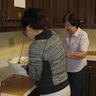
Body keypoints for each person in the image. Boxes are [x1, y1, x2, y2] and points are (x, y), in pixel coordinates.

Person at [21, 8, 71, 96]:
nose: (26, 34)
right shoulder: (54, 33)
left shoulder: (36, 46)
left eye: (25, 31)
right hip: (65, 87)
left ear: (28, 27)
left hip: (52, 92)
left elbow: (35, 75)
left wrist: (28, 68)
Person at [63, 13, 89, 96]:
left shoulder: (82, 35)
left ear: (75, 25)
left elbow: (83, 54)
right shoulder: (67, 35)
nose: (65, 27)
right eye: (65, 24)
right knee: (67, 93)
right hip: (67, 69)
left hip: (78, 70)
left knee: (74, 93)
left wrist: (67, 55)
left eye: (68, 25)